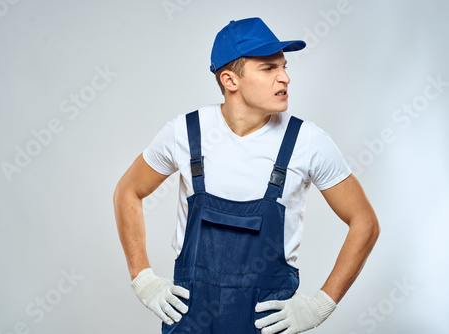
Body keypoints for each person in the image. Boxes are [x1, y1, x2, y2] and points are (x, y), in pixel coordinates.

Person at [114, 17, 380, 334]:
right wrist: (142, 278)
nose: (285, 78)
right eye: (269, 69)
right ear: (230, 80)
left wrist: (320, 306)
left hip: (265, 326)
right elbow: (127, 191)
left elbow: (365, 222)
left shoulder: (307, 142)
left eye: (283, 66)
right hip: (191, 323)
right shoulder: (186, 133)